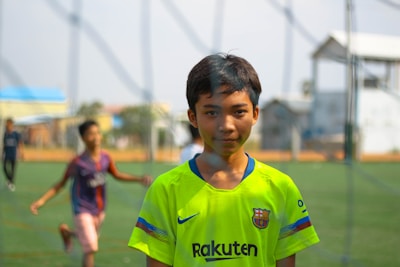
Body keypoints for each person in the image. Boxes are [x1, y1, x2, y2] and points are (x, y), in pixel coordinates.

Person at [128, 53, 319, 267]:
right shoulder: (165, 190)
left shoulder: (281, 188)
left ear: (255, 114)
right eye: (212, 113)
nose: (226, 125)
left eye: (238, 111)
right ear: (193, 117)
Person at [30, 119, 152, 267]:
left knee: (89, 239)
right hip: (82, 209)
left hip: (99, 209)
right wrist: (41, 201)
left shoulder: (106, 158)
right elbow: (60, 184)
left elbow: (117, 174)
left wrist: (139, 179)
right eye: (90, 134)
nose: (95, 137)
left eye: (97, 133)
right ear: (83, 138)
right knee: (91, 248)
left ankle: (67, 233)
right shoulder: (77, 162)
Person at [2, 118, 24, 191]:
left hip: (13, 155)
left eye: (8, 124)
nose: (7, 126)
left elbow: (20, 143)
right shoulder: (5, 134)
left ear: (11, 125)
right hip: (7, 154)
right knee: (4, 167)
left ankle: (11, 183)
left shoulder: (15, 134)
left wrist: (21, 153)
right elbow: (4, 144)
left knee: (13, 170)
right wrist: (2, 153)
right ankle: (9, 180)